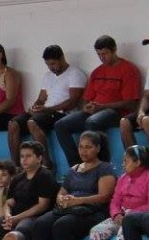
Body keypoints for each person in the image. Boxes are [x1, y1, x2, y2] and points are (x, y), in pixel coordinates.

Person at [31, 131, 115, 240]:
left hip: (93, 212)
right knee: (40, 224)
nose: (83, 151)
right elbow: (61, 193)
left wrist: (78, 200)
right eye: (81, 147)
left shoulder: (104, 168)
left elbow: (104, 197)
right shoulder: (74, 169)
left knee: (62, 225)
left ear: (98, 148)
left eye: (88, 147)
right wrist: (61, 199)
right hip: (70, 209)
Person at [54, 35, 143, 166]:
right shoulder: (97, 72)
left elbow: (130, 102)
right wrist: (86, 107)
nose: (102, 57)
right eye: (99, 54)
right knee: (60, 125)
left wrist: (101, 107)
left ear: (114, 50)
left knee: (92, 122)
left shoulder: (129, 70)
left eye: (105, 53)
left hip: (116, 111)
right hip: (96, 109)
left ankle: (100, 165)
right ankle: (76, 165)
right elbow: (86, 99)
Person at [7, 45, 85, 165]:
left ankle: (45, 163)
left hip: (62, 113)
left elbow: (73, 102)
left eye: (53, 64)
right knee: (13, 124)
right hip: (47, 111)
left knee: (32, 122)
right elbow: (41, 99)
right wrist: (35, 107)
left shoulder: (75, 74)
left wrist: (48, 109)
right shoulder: (48, 76)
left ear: (62, 58)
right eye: (48, 64)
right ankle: (16, 166)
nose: (51, 68)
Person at [89, 145, 149, 240]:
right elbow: (115, 201)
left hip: (139, 219)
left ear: (138, 162)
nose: (123, 164)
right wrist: (116, 214)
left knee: (124, 232)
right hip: (120, 216)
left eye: (126, 161)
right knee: (96, 231)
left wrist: (130, 213)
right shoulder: (123, 178)